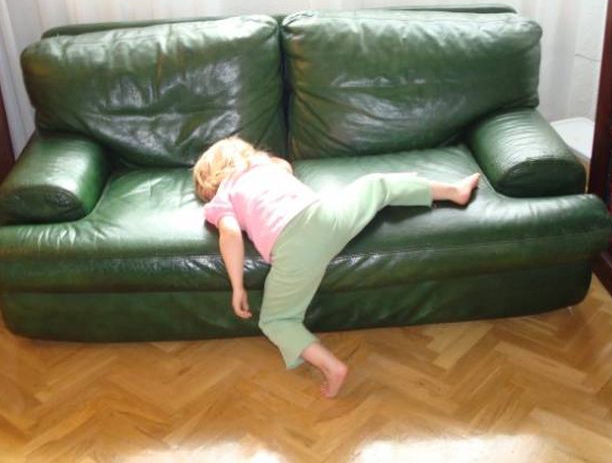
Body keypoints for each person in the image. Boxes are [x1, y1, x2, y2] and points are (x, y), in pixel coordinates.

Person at [193, 136, 480, 398]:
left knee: (276, 321)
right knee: (377, 185)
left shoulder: (222, 198)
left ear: (209, 183)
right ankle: (454, 191)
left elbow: (230, 234)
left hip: (294, 250)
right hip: (326, 217)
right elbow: (285, 167)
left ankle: (332, 367)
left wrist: (237, 286)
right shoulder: (263, 165)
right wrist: (259, 160)